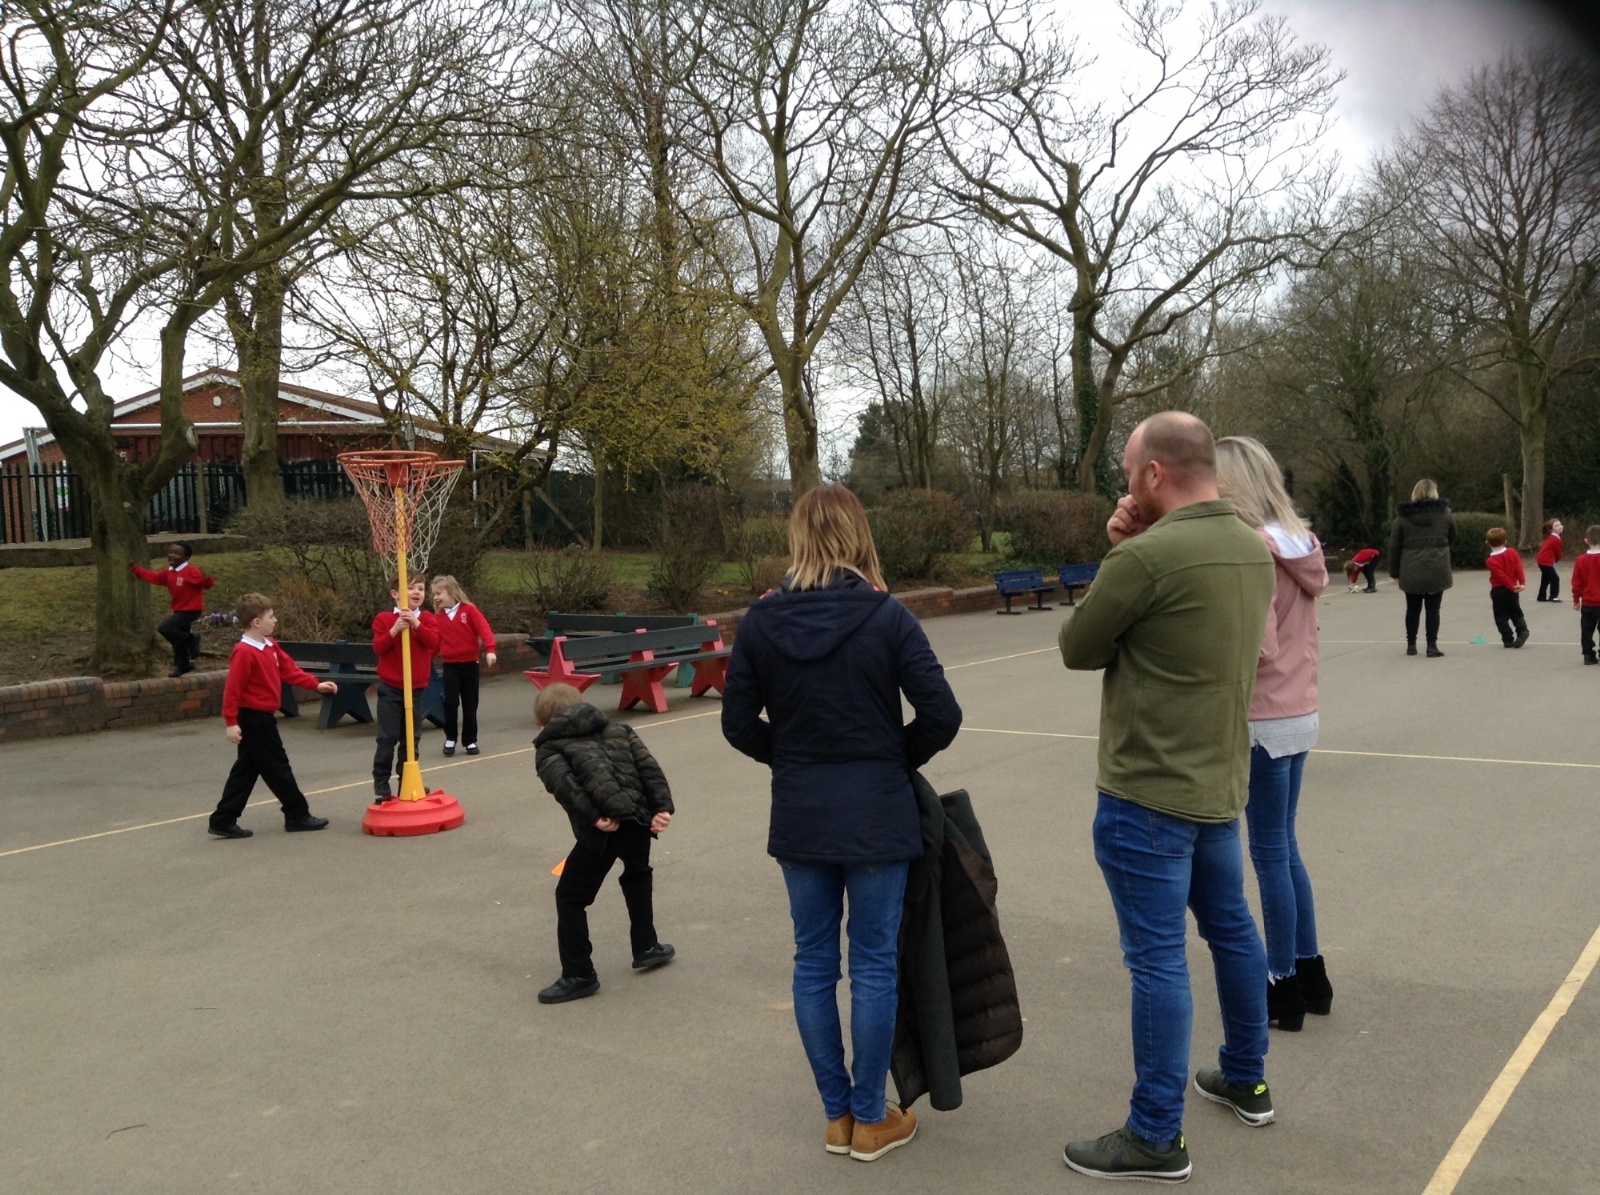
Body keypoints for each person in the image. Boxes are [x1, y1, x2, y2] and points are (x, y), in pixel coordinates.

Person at [1058, 412, 1275, 1184]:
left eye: (1128, 473)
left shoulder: (1144, 557)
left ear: (1155, 472)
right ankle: (1246, 1076)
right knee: (1232, 930)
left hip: (1146, 791)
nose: (1125, 487)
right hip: (1217, 783)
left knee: (1156, 958)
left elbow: (1078, 646)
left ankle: (1155, 1132)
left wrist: (1120, 550)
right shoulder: (1252, 547)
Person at [721, 484, 961, 1164]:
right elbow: (942, 714)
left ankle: (838, 1116)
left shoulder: (761, 620)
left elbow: (737, 723)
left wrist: (792, 758)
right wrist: (892, 758)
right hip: (877, 812)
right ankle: (870, 1115)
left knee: (814, 961)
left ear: (797, 536)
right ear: (859, 533)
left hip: (802, 813)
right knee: (874, 963)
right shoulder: (887, 615)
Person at [1215, 437, 1334, 1035]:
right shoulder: (1298, 541)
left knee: (1268, 852)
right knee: (1284, 846)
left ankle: (1282, 982)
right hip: (1298, 710)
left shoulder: (1252, 549)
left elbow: (1256, 645)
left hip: (1262, 716)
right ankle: (1309, 973)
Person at [533, 683, 675, 1005]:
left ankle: (578, 974)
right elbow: (649, 769)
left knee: (570, 896)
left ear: (544, 721)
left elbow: (565, 788)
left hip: (604, 828)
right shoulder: (620, 730)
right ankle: (646, 946)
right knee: (637, 875)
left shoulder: (549, 748)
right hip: (638, 818)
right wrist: (661, 808)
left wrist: (594, 817)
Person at [210, 592, 337, 838]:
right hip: (252, 718)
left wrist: (316, 684)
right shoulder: (244, 652)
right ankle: (297, 814)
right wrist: (231, 722)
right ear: (257, 622)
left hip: (264, 716)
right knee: (277, 766)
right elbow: (232, 690)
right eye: (271, 616)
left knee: (247, 770)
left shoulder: (270, 645)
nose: (275, 620)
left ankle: (223, 818)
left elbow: (289, 671)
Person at [371, 575, 440, 801]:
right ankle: (381, 784)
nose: (417, 592)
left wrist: (416, 625)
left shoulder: (427, 618)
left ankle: (407, 781)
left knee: (411, 738)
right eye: (410, 588)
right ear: (395, 594)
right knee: (387, 737)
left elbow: (434, 642)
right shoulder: (383, 619)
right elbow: (378, 647)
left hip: (416, 688)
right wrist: (394, 630)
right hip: (391, 688)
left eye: (420, 588)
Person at [1388, 479, 1457, 658]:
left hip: (1411, 567)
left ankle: (1411, 644)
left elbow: (1394, 546)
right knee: (1433, 609)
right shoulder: (1446, 514)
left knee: (1412, 608)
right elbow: (1453, 536)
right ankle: (1432, 645)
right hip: (1437, 566)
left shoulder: (1402, 518)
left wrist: (1394, 570)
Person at [431, 575, 497, 757]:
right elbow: (434, 643)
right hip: (450, 666)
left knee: (470, 705)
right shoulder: (438, 618)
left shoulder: (469, 611)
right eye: (434, 594)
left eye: (439, 593)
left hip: (470, 665)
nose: (436, 597)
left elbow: (484, 630)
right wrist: (425, 658)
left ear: (451, 592)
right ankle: (450, 738)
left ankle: (470, 740)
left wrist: (490, 649)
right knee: (450, 703)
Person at [129, 541, 216, 677]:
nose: (172, 556)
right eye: (171, 552)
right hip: (179, 609)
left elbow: (205, 583)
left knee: (165, 628)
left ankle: (192, 639)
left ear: (186, 557)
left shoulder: (191, 570)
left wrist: (208, 579)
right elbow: (154, 577)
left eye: (177, 553)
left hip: (191, 610)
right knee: (178, 640)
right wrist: (135, 569)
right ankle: (183, 665)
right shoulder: (168, 572)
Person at [1485, 528, 1530, 649]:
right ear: (1505, 541)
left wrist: (1510, 586)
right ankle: (1522, 630)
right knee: (1516, 612)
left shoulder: (1491, 560)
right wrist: (1521, 582)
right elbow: (1518, 567)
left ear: (1487, 543)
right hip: (1512, 589)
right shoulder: (1512, 552)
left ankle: (1507, 638)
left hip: (1498, 590)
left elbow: (1501, 576)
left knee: (1500, 616)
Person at [1571, 525, 1600, 665]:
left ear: (1586, 541)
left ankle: (1588, 654)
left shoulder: (1581, 560)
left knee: (1586, 630)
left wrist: (1576, 599)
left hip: (1587, 602)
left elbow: (1576, 582)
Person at [1536, 519, 1565, 602]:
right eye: (1556, 526)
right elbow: (1558, 552)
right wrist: (1556, 561)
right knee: (1555, 579)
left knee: (1546, 579)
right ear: (1551, 529)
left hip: (1542, 560)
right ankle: (1554, 596)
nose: (1559, 527)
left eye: (1560, 525)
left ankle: (1541, 596)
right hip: (1546, 561)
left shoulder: (1552, 537)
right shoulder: (1556, 539)